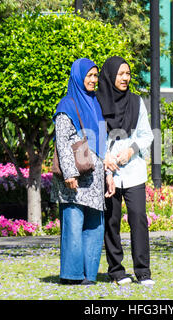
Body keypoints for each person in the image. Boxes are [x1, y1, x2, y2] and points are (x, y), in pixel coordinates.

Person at [51, 58, 115, 285]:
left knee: (94, 227)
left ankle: (89, 274)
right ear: (78, 76)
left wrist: (108, 174)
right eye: (89, 76)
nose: (93, 80)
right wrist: (69, 174)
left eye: (95, 76)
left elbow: (103, 142)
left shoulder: (95, 104)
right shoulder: (66, 105)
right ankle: (72, 274)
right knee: (74, 225)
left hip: (95, 178)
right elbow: (62, 141)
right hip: (75, 179)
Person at [96, 56, 155, 286]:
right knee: (111, 221)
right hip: (108, 171)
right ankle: (117, 271)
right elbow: (94, 133)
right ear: (110, 76)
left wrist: (131, 151)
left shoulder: (136, 102)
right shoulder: (98, 102)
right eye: (120, 74)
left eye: (128, 74)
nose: (125, 78)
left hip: (133, 172)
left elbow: (146, 134)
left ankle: (143, 271)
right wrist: (105, 158)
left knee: (138, 218)